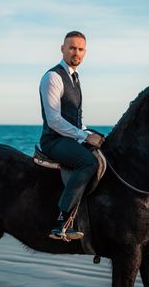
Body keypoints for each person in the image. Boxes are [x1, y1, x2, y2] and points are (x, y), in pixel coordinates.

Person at [39, 31, 104, 240]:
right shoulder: (53, 77)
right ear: (62, 49)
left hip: (70, 137)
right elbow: (54, 120)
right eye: (72, 48)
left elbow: (76, 119)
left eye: (80, 49)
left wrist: (90, 133)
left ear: (85, 52)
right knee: (87, 163)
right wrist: (84, 137)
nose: (76, 52)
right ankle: (62, 220)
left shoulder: (75, 78)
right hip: (54, 140)